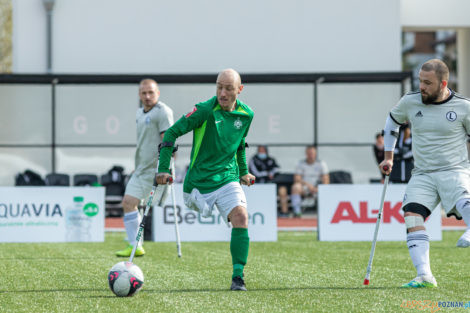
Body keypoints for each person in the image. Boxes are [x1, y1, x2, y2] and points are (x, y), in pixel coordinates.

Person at [155, 69, 255, 291]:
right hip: (198, 186)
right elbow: (171, 133)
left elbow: (239, 144)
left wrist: (243, 172)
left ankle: (238, 277)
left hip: (228, 178)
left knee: (241, 217)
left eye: (228, 88)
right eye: (219, 86)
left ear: (239, 89)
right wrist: (163, 169)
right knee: (214, 212)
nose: (222, 92)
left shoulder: (247, 115)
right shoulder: (204, 110)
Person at [379, 59, 470, 288]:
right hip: (423, 174)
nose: (422, 86)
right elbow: (392, 122)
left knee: (464, 202)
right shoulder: (410, 101)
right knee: (411, 215)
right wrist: (388, 156)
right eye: (420, 81)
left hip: (454, 169)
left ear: (443, 83)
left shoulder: (463, 107)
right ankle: (424, 276)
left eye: (428, 83)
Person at [115, 79, 174, 257]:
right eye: (143, 93)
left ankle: (136, 244)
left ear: (158, 93)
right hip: (140, 169)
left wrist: (164, 168)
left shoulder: (163, 111)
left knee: (132, 203)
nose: (147, 96)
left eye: (151, 92)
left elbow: (168, 141)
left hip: (156, 169)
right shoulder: (139, 113)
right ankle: (136, 245)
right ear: (139, 95)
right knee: (128, 203)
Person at [279, 145, 329, 217]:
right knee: (295, 187)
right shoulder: (301, 163)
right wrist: (309, 186)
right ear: (306, 154)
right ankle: (297, 212)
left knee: (326, 188)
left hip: (318, 188)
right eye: (309, 153)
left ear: (315, 154)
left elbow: (326, 180)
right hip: (305, 188)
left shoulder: (321, 164)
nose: (311, 155)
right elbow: (297, 179)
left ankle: (326, 213)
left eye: (312, 153)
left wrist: (317, 188)